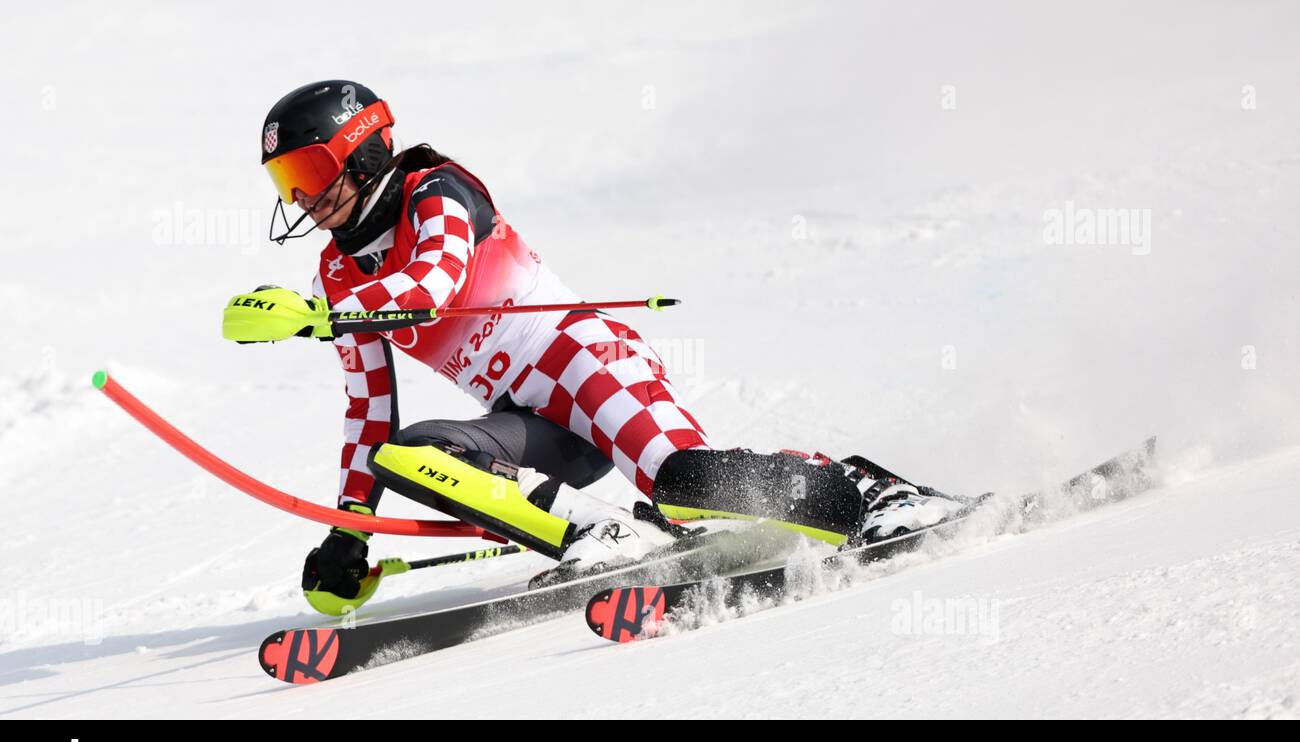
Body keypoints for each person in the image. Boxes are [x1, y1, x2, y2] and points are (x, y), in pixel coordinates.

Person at [228, 80, 965, 605]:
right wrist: (349, 533)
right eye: (285, 180)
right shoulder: (335, 273)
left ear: (360, 155)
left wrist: (329, 315)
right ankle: (602, 532)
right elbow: (368, 413)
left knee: (686, 486)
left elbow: (435, 284)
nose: (301, 198)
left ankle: (872, 490)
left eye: (310, 171)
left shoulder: (437, 192)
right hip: (532, 419)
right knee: (412, 452)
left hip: (585, 359)